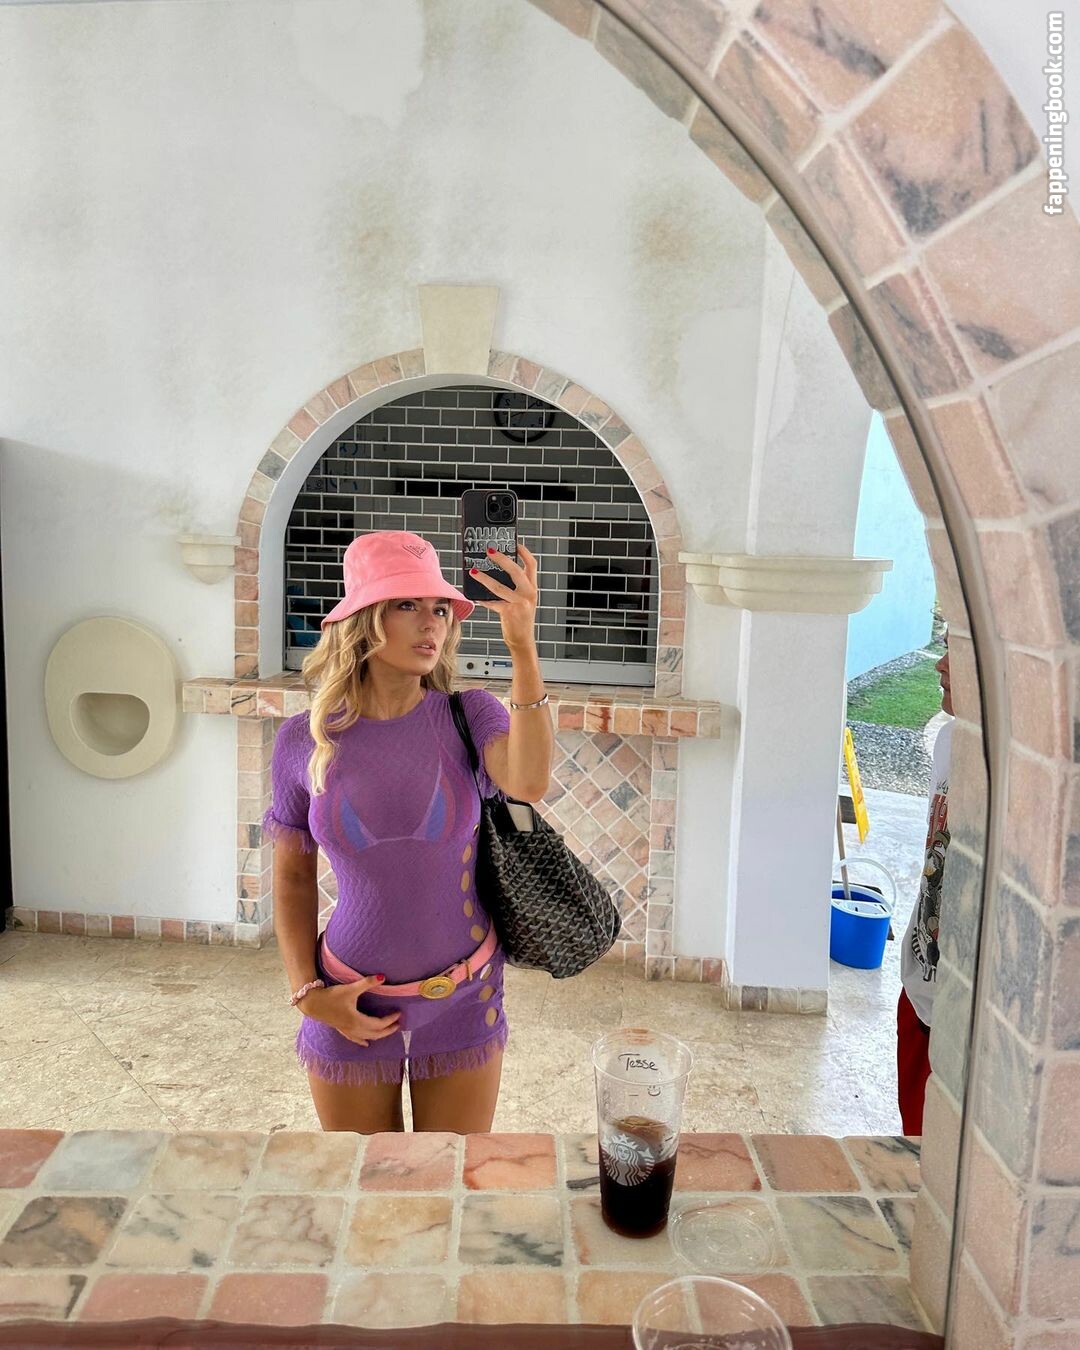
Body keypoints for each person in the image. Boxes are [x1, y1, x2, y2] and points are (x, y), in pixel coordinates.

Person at [264, 529, 553, 1133]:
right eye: (407, 605)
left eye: (440, 608)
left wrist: (522, 648)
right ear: (363, 620)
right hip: (348, 1000)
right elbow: (292, 878)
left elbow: (528, 784)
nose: (431, 623)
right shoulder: (302, 741)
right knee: (366, 1182)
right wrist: (308, 994)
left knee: (447, 1180)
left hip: (464, 996)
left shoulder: (470, 715)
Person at [896, 638, 953, 1136]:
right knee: (915, 1144)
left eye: (958, 648)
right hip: (921, 989)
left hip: (968, 1019)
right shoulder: (949, 743)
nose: (940, 663)